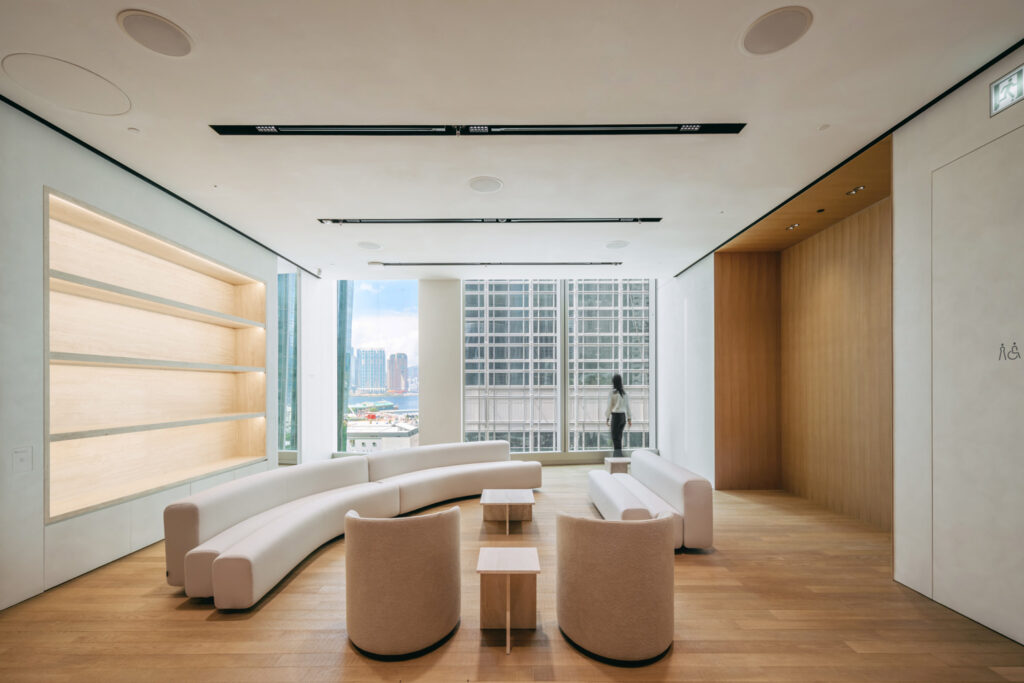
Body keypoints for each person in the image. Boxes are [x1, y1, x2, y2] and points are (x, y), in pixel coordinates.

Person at [604, 374, 632, 458]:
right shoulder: (624, 393)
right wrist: (629, 419)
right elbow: (627, 407)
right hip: (623, 417)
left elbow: (609, 406)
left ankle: (617, 458)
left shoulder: (612, 392)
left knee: (615, 438)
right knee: (619, 438)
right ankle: (619, 457)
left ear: (613, 382)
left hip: (616, 417)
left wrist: (607, 417)